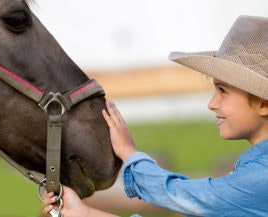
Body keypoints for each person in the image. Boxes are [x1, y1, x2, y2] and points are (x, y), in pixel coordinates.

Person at [42, 15, 268, 217]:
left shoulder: (260, 177)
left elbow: (184, 196)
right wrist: (84, 214)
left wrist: (131, 156)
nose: (212, 103)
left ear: (263, 103)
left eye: (223, 91)